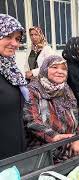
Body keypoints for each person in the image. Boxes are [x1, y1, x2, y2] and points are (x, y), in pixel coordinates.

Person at [23, 55, 79, 163]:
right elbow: (31, 122)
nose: (60, 71)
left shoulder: (66, 89)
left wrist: (78, 139)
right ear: (45, 69)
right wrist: (60, 138)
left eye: (64, 68)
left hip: (70, 143)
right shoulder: (32, 90)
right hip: (45, 148)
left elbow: (78, 118)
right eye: (54, 67)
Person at [0, 14, 28, 160]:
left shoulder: (11, 70)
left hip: (16, 150)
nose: (15, 43)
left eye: (17, 39)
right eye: (8, 36)